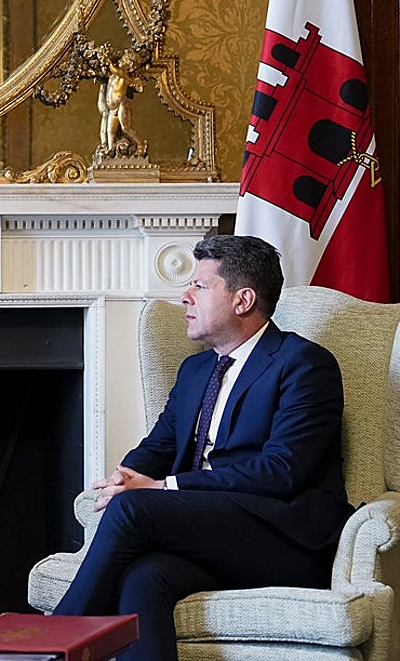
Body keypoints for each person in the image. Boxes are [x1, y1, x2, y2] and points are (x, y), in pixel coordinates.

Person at [53, 234, 353, 661]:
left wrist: (163, 488)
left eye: (200, 286)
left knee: (133, 510)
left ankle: (47, 647)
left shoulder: (304, 364)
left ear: (243, 300)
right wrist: (126, 475)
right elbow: (159, 444)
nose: (185, 296)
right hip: (212, 532)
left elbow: (281, 471)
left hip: (283, 539)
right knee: (145, 577)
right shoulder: (195, 370)